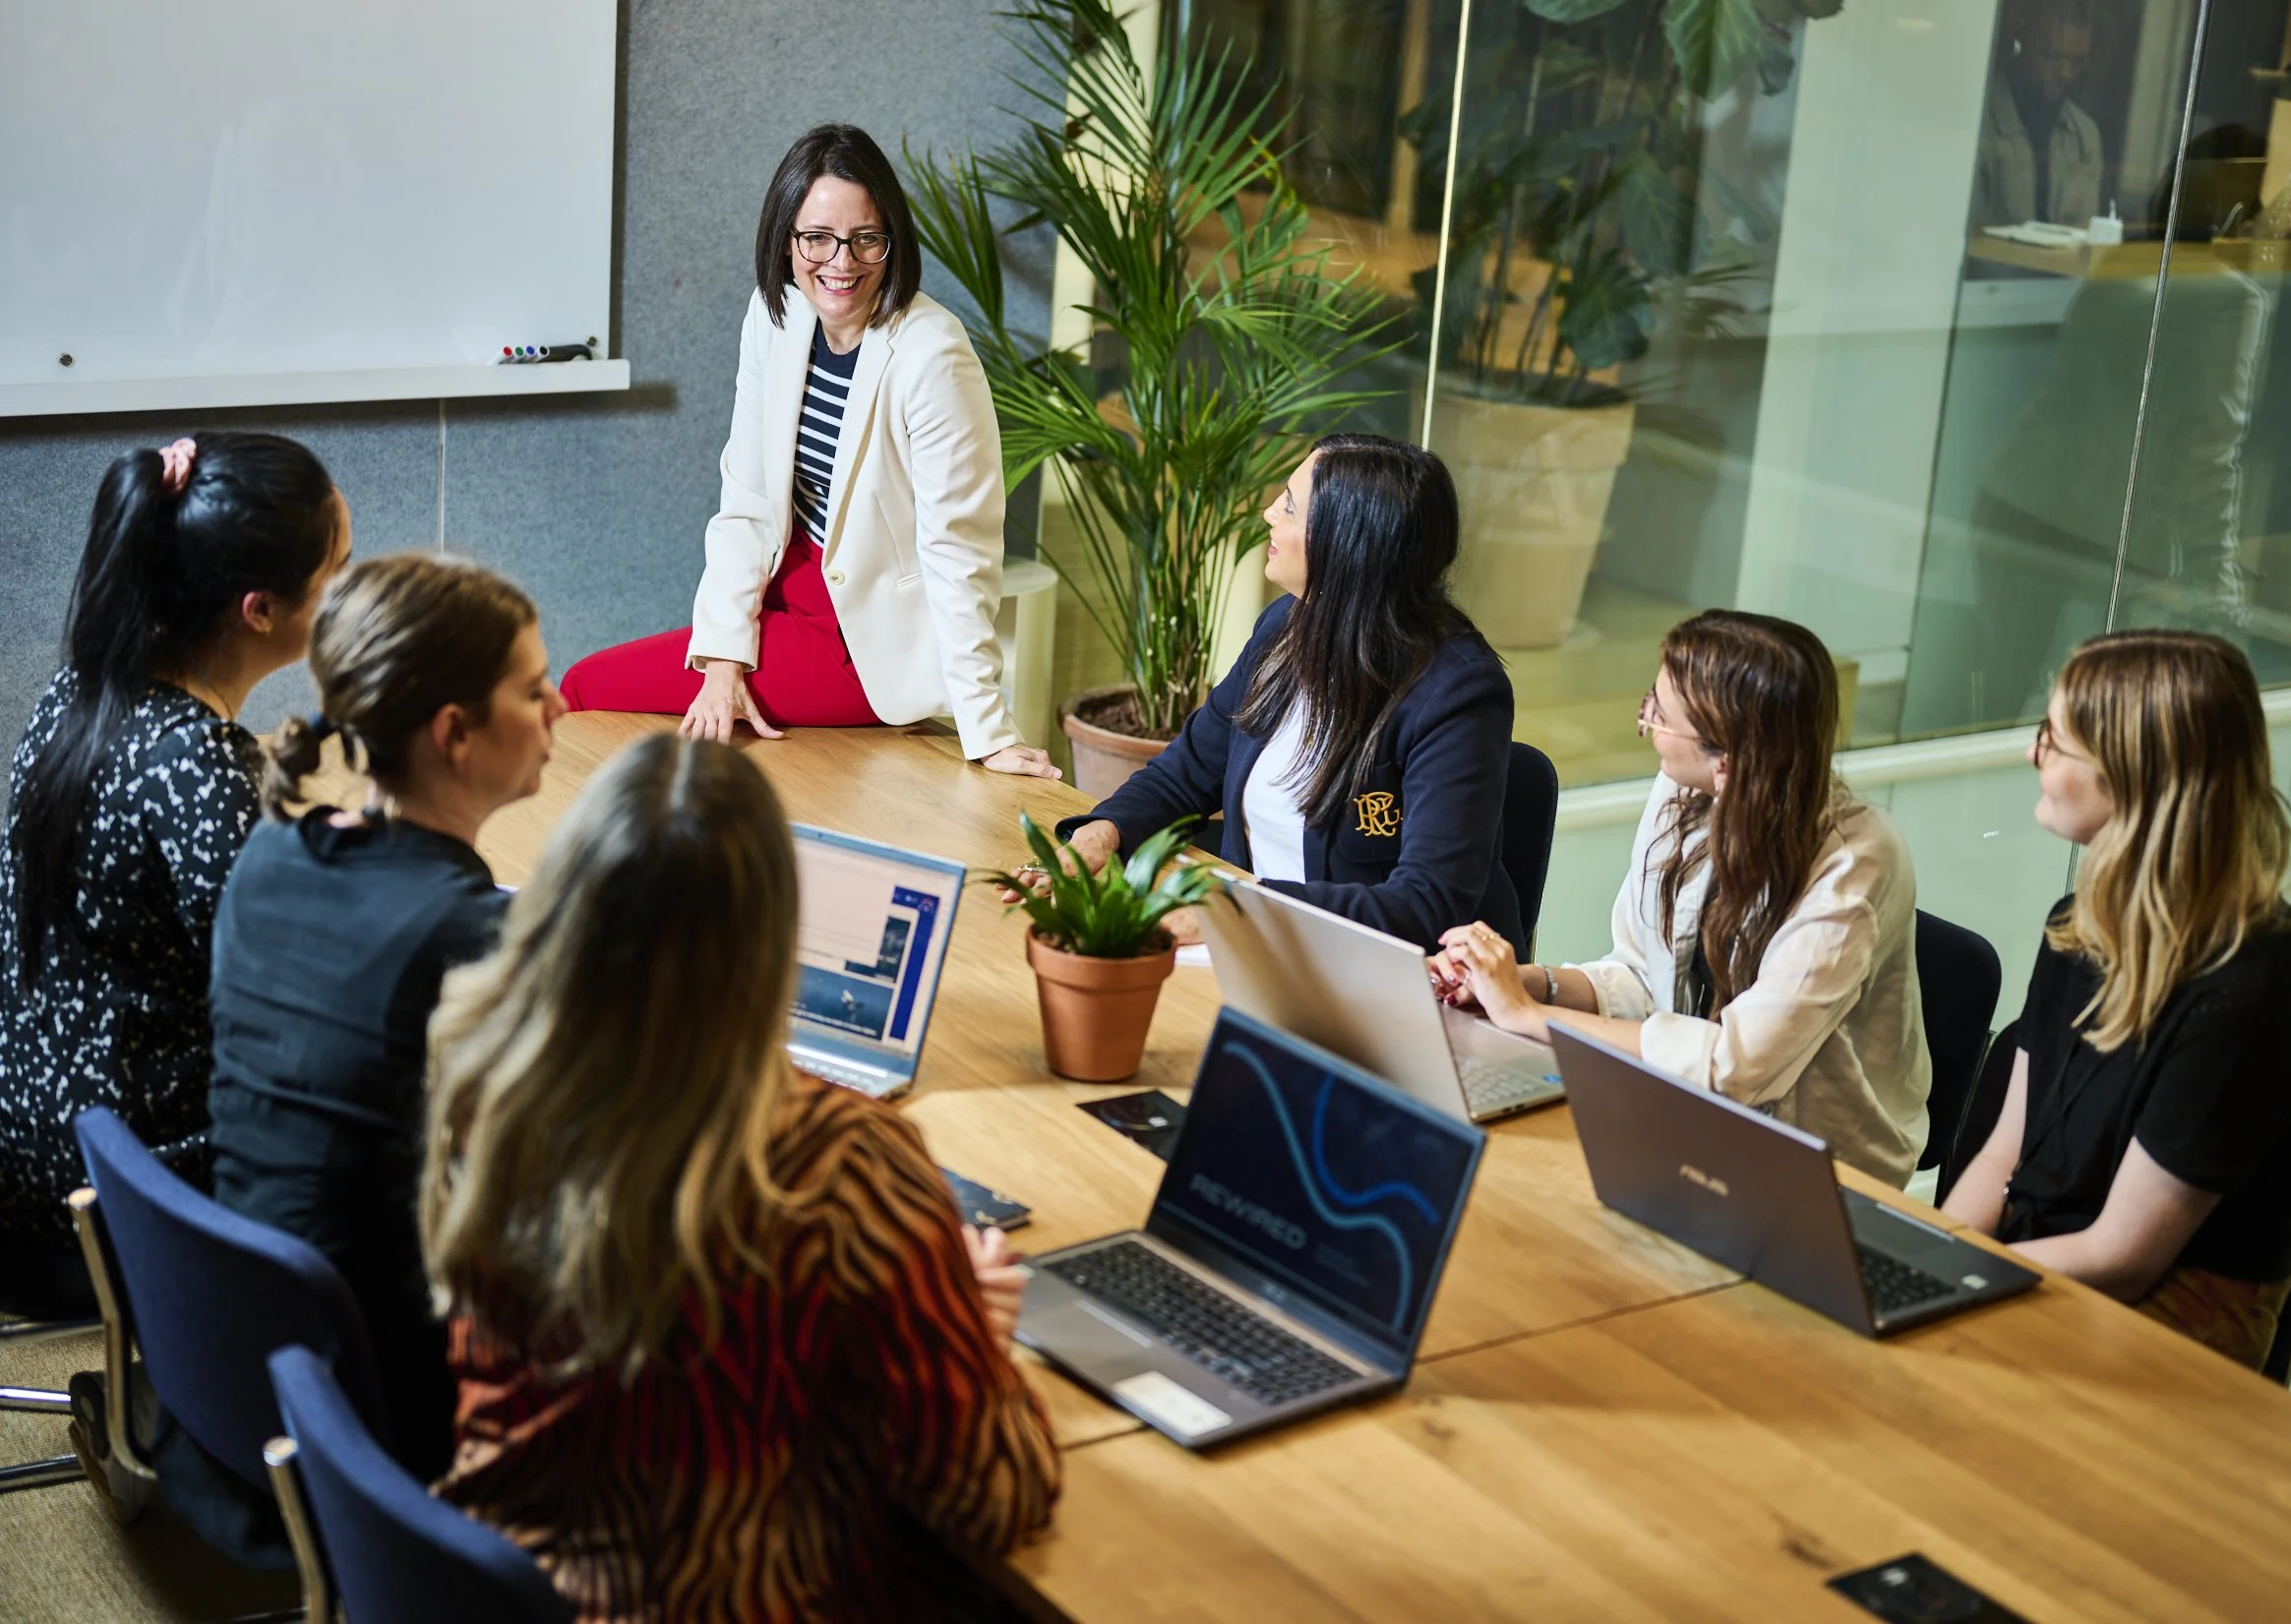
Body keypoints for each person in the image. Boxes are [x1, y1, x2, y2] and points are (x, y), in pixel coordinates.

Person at [421, 735, 1058, 1618]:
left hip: (496, 1590)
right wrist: (967, 1339)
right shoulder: (840, 1163)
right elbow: (995, 1495)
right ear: (772, 946)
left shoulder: (484, 1090)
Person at [557, 122, 1058, 780]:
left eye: (864, 239)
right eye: (817, 238)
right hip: (784, 585)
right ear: (785, 238)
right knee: (590, 689)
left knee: (586, 689)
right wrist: (723, 658)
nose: (840, 263)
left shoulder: (933, 354)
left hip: (859, 636)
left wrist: (987, 727)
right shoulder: (777, 315)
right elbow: (748, 497)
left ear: (892, 241)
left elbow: (956, 550)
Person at [210, 554, 564, 1480]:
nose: (560, 704)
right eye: (532, 689)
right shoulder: (473, 937)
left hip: (245, 1354)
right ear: (453, 732)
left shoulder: (272, 854)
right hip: (388, 1396)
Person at [0, 434, 349, 1317]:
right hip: (118, 1189)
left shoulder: (84, 691)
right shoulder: (192, 762)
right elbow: (298, 1002)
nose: (355, 589)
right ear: (260, 609)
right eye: (340, 569)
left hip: (34, 1136)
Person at [1943, 632, 2291, 1370]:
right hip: (2043, 1269)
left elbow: (2122, 1256)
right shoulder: (2077, 922)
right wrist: (1934, 1254)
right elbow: (2006, 1151)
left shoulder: (2251, 996)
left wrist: (1961, 1278)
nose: (2032, 755)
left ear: (2135, 776)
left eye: (2053, 741)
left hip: (2161, 1325)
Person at [1429, 610, 1931, 1186]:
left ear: (1730, 761)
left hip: (1817, 1170)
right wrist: (1523, 984)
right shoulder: (1685, 788)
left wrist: (1529, 1017)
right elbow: (1643, 981)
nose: (1646, 723)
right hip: (1682, 1119)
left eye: (1662, 716)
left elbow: (1734, 1068)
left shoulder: (1853, 865)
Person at [1041, 433, 1519, 950]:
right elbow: (1187, 772)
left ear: (1348, 542)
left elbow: (1426, 905)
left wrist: (1238, 910)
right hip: (1260, 951)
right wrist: (1103, 833)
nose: (1269, 513)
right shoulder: (1285, 627)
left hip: (1389, 978)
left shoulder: (1459, 692)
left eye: (1289, 507)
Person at [1972, 0, 2104, 229]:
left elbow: (2081, 236)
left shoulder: (2085, 135)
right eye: (2052, 57)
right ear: (2019, 47)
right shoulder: (1978, 117)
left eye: (2077, 62)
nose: (2066, 73)